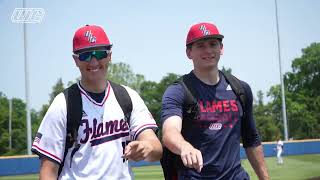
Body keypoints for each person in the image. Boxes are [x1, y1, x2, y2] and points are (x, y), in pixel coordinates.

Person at [31, 24, 162, 179]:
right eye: (85, 55)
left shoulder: (127, 96)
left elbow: (156, 149)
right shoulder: (63, 105)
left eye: (99, 53)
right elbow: (48, 171)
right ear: (76, 60)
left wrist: (146, 147)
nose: (93, 61)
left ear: (109, 55)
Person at [161, 22, 269, 179]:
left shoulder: (240, 89)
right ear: (189, 52)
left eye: (213, 44)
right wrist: (184, 146)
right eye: (201, 46)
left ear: (221, 48)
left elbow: (251, 139)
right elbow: (170, 132)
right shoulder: (178, 91)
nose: (208, 50)